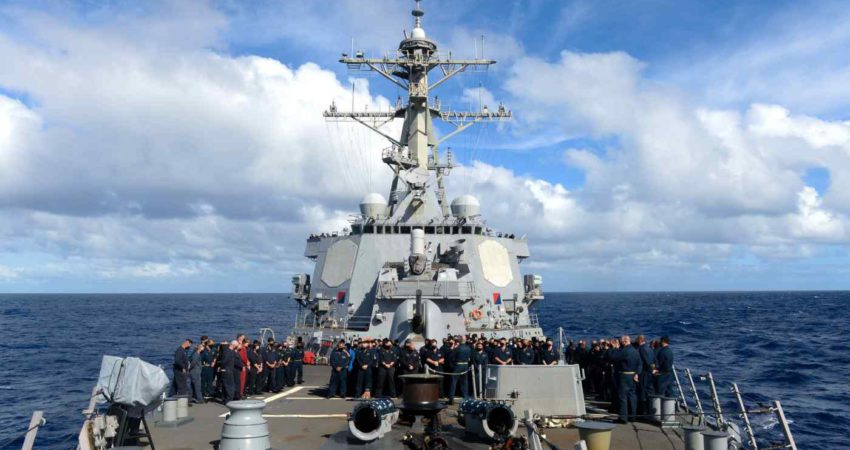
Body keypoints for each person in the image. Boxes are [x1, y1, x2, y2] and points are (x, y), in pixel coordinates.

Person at [609, 335, 641, 423]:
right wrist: (637, 373)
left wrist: (614, 348)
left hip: (624, 375)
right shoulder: (635, 351)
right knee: (632, 396)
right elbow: (640, 364)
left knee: (622, 396)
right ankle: (632, 416)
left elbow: (613, 357)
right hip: (633, 375)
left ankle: (623, 418)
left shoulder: (625, 351)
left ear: (624, 341)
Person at [447, 336, 472, 404]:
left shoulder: (457, 348)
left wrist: (452, 366)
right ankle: (465, 397)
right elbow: (469, 358)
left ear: (459, 341)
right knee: (464, 382)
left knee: (453, 382)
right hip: (465, 365)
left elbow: (451, 358)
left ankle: (451, 399)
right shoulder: (468, 348)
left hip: (458, 365)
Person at [636, 335, 656, 414]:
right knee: (648, 390)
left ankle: (644, 411)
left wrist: (651, 369)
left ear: (639, 340)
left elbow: (647, 361)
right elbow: (653, 360)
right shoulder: (649, 348)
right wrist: (653, 369)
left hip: (644, 373)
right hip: (649, 373)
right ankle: (649, 409)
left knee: (643, 392)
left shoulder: (642, 349)